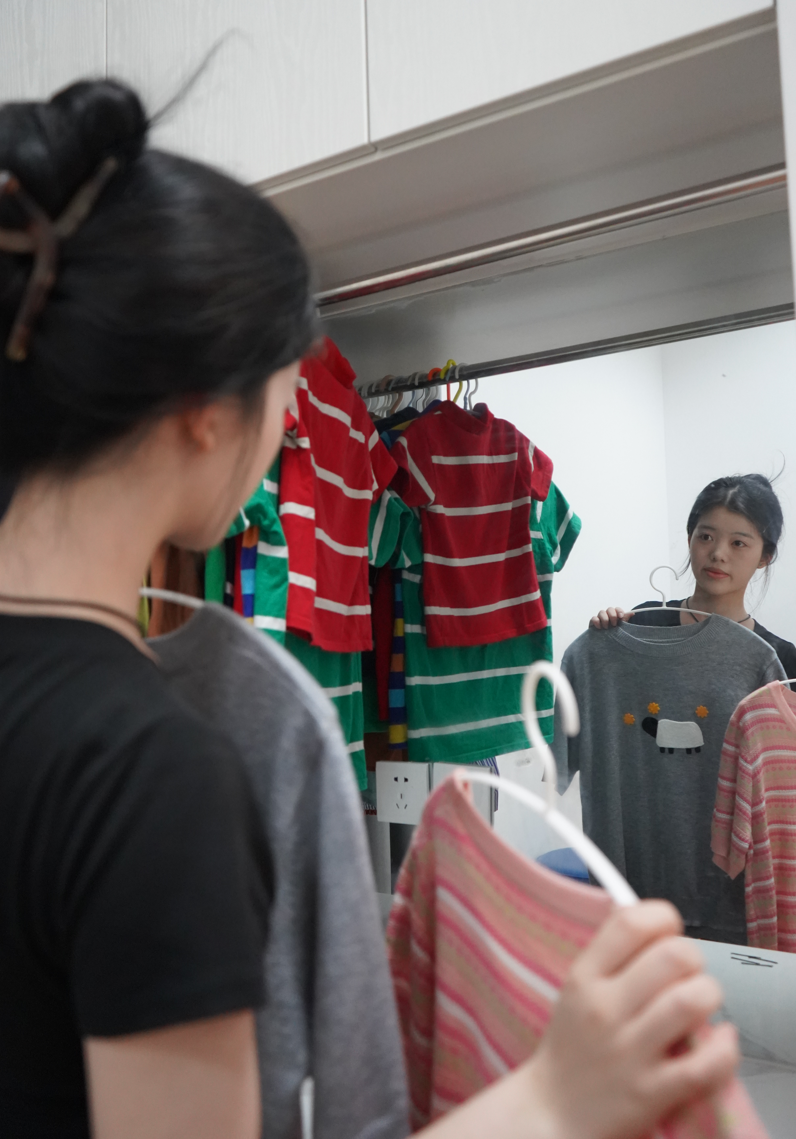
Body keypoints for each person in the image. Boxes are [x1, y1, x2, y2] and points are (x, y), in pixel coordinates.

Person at [0, 79, 738, 1139]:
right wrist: (552, 1097)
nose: (288, 422)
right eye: (283, 382)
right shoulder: (154, 768)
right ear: (205, 409)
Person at [591, 473, 796, 677]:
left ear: (765, 557)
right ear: (690, 539)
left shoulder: (781, 660)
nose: (718, 554)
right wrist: (600, 641)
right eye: (706, 537)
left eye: (738, 543)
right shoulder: (644, 623)